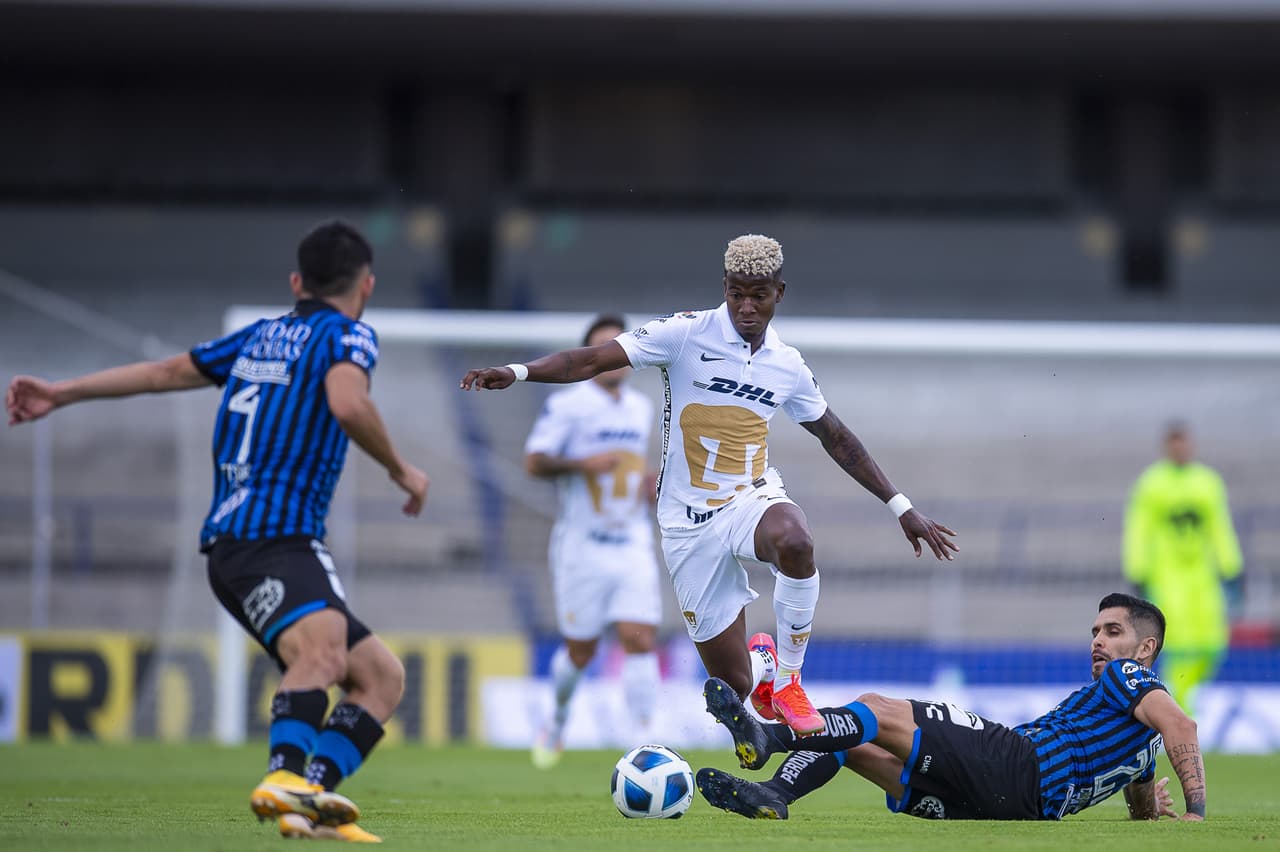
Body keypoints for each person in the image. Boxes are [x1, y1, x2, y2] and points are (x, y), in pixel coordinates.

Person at [6, 220, 429, 843]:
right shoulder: (350, 336)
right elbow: (346, 403)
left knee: (380, 678)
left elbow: (162, 372)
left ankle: (306, 797)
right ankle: (285, 776)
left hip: (236, 546)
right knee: (323, 653)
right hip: (277, 538)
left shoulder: (259, 338)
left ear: (296, 283)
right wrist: (402, 470)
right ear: (365, 286)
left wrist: (61, 393)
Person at [461, 234, 957, 736]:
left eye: (757, 295)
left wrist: (900, 506)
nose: (745, 306)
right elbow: (590, 360)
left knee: (795, 539)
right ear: (724, 286)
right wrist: (517, 371)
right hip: (685, 525)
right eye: (736, 293)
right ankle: (762, 670)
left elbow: (837, 437)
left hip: (748, 498)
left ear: (778, 293)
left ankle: (787, 680)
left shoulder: (787, 366)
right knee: (734, 687)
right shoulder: (684, 333)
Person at [697, 593, 1207, 824]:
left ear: (1146, 649)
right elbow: (1141, 802)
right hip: (1010, 810)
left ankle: (769, 737)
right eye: (1095, 631)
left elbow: (1181, 722)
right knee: (851, 738)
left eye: (1112, 632)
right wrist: (1152, 812)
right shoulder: (1142, 750)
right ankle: (773, 793)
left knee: (874, 706)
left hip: (1014, 761)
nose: (1097, 642)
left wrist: (1195, 813)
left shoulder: (1127, 675)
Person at [524, 314, 663, 767]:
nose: (613, 356)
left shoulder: (641, 409)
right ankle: (558, 718)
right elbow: (535, 462)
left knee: (638, 637)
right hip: (581, 544)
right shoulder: (569, 405)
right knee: (581, 650)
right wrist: (583, 464)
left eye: (618, 346)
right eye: (602, 346)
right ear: (587, 356)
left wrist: (645, 484)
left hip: (631, 540)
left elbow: (630, 470)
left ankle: (644, 741)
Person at [1124, 421, 1243, 716]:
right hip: (1168, 578)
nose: (1180, 449)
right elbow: (1139, 529)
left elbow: (1219, 527)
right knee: (1177, 644)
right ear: (1167, 447)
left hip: (1202, 578)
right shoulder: (1152, 483)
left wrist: (1232, 566)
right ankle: (1180, 709)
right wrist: (1137, 570)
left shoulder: (1207, 482)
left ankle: (1184, 698)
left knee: (1213, 643)